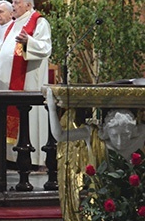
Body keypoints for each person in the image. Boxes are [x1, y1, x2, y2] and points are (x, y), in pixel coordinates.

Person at [45, 86, 145, 221]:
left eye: (126, 135)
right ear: (107, 132)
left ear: (132, 132)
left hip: (131, 202)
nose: (120, 141)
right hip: (100, 203)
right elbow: (60, 136)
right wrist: (52, 109)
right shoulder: (93, 136)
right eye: (115, 135)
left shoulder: (141, 135)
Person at [0, 0, 51, 165]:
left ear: (28, 5)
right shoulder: (16, 23)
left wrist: (28, 42)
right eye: (13, 2)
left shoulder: (39, 22)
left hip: (28, 81)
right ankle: (12, 157)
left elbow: (45, 47)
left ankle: (31, 158)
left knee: (27, 117)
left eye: (17, 3)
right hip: (8, 83)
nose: (13, 6)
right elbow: (3, 49)